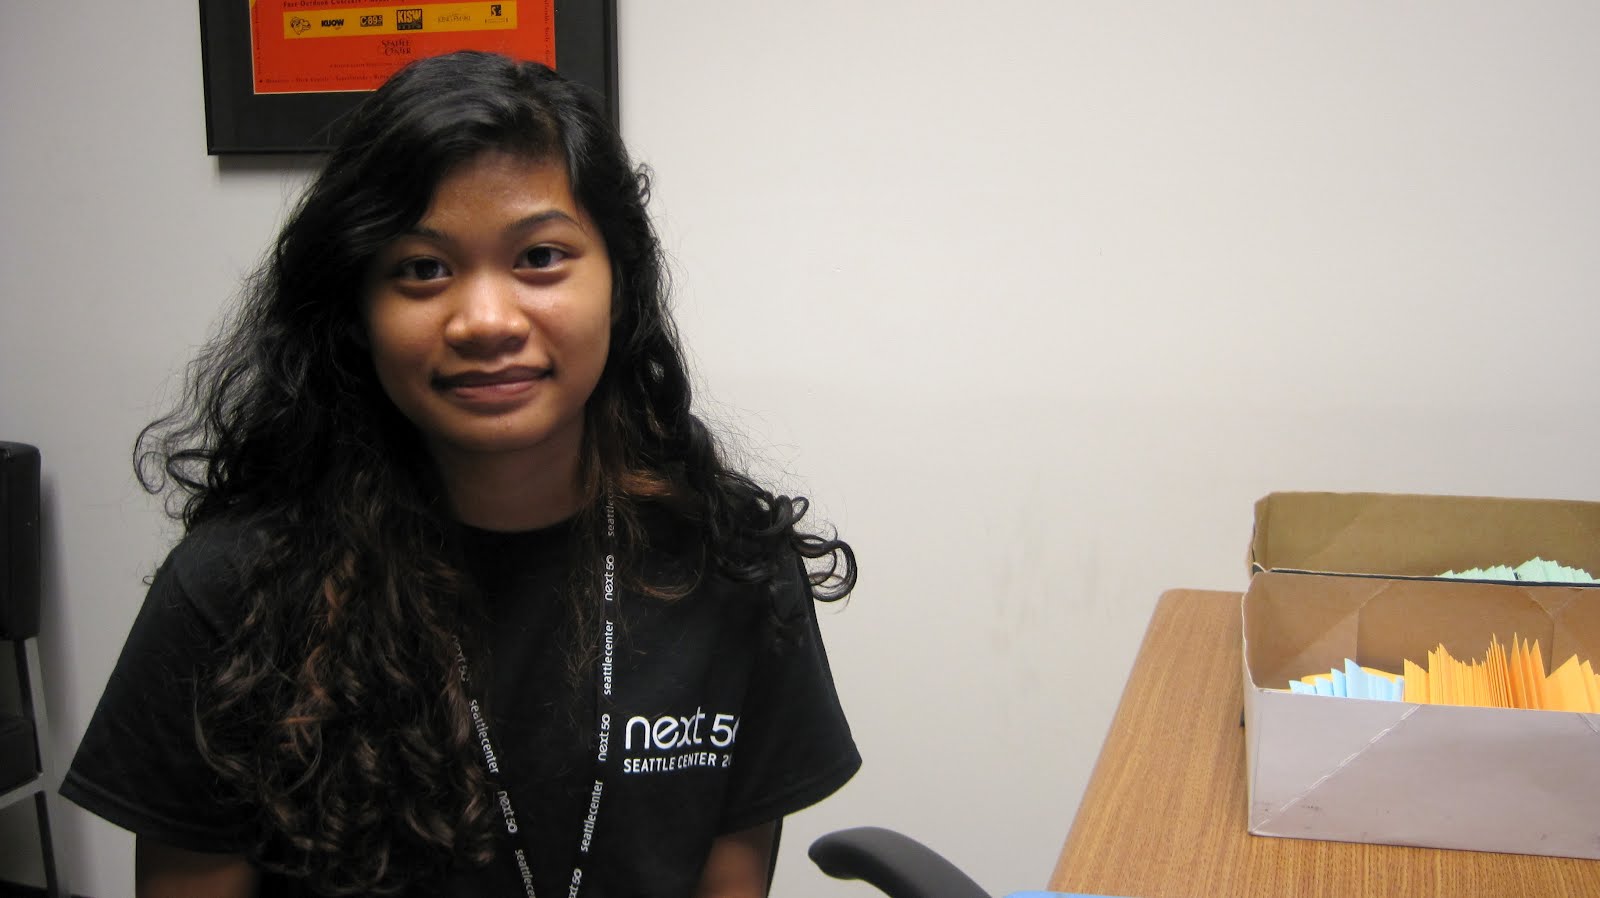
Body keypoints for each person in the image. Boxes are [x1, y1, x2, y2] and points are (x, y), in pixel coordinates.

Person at [61, 51, 859, 898]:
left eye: (540, 256)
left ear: (619, 285)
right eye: (422, 269)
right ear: (356, 310)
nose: (484, 321)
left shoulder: (733, 564)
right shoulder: (232, 591)